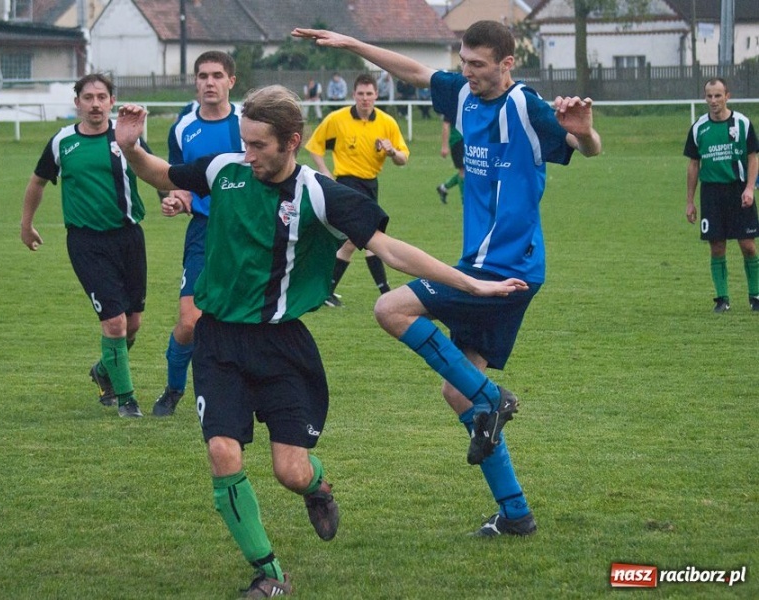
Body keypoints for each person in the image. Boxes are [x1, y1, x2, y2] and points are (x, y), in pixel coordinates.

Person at [114, 85, 527, 596]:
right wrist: (132, 146)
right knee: (224, 453)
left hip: (282, 347)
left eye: (259, 146)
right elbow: (162, 174)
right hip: (218, 341)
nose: (248, 154)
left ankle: (318, 488)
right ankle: (270, 574)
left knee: (290, 471)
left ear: (293, 141)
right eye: (244, 142)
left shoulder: (319, 193)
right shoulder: (225, 169)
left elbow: (391, 251)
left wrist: (471, 284)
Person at [293, 21, 602, 536]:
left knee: (390, 309)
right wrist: (351, 43)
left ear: (507, 64)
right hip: (483, 265)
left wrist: (586, 129)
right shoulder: (462, 95)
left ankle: (495, 399)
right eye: (463, 62)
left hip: (507, 269)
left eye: (478, 65)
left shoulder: (525, 106)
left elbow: (587, 148)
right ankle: (516, 513)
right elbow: (414, 71)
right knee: (459, 396)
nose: (467, 72)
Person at [20, 73, 154, 418]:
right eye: (88, 97)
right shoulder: (63, 142)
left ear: (112, 101)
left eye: (102, 97)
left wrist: (173, 196)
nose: (95, 103)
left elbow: (154, 171)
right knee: (114, 324)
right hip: (86, 242)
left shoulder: (125, 138)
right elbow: (37, 182)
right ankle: (127, 400)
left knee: (134, 323)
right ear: (77, 102)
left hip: (129, 237)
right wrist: (26, 224)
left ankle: (103, 369)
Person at [152, 51, 243, 418]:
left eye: (217, 75)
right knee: (190, 321)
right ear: (195, 81)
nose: (209, 82)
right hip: (204, 232)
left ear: (231, 82)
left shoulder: (247, 123)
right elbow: (178, 181)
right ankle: (174, 388)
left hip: (244, 232)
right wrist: (176, 200)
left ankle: (240, 391)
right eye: (203, 75)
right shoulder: (182, 127)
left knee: (241, 320)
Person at [304, 73, 410, 307]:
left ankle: (326, 291)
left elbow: (403, 159)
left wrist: (392, 152)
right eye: (360, 94)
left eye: (369, 94)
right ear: (353, 95)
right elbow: (313, 145)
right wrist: (324, 171)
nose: (365, 99)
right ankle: (384, 291)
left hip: (371, 184)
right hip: (346, 184)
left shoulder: (386, 123)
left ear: (376, 95)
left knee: (358, 240)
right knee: (365, 237)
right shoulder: (337, 119)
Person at [684, 78, 759, 313]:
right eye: (709, 96)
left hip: (738, 190)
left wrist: (749, 188)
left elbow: (753, 157)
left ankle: (755, 295)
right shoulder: (698, 128)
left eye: (718, 95)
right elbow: (693, 165)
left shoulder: (743, 123)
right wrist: (689, 201)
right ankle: (722, 299)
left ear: (727, 95)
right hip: (712, 193)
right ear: (705, 98)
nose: (713, 101)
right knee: (717, 246)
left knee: (748, 246)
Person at [436, 117, 464, 204]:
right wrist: (444, 146)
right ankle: (465, 202)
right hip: (458, 141)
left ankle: (444, 187)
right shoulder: (453, 107)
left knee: (469, 171)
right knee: (463, 171)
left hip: (468, 140)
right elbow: (446, 124)